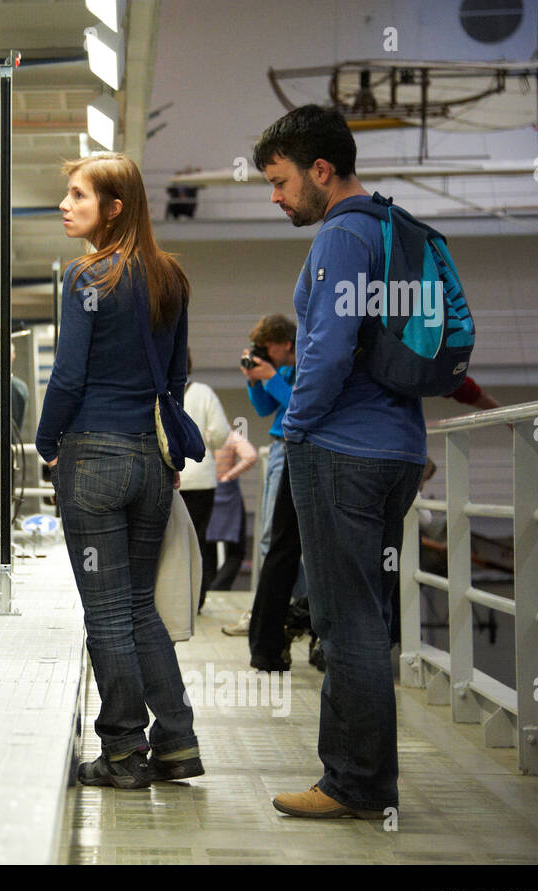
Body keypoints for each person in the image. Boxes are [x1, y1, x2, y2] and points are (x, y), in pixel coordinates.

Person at [253, 105, 426, 820]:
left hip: (343, 453)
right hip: (398, 448)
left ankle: (354, 783)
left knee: (344, 619)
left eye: (281, 180)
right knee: (366, 614)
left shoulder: (343, 235)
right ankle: (362, 777)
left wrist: (294, 427)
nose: (276, 196)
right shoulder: (394, 227)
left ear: (321, 171)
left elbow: (324, 350)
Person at [36, 152, 200, 789]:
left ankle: (125, 752)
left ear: (114, 208)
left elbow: (69, 375)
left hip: (94, 462)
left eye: (78, 195)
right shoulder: (171, 278)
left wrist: (49, 440)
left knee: (106, 614)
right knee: (137, 607)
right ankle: (178, 742)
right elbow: (178, 376)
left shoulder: (88, 278)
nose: (65, 204)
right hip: (153, 462)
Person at [221, 313, 303, 638]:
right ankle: (271, 611)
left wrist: (270, 377)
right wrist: (255, 381)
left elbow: (298, 404)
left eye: (268, 349)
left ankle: (280, 612)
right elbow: (262, 409)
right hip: (279, 448)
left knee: (280, 537)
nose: (266, 356)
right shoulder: (282, 369)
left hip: (293, 450)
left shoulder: (307, 365)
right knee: (271, 536)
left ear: (286, 344)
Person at [178, 351, 231, 611]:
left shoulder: (158, 391)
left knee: (170, 540)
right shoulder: (204, 392)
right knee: (198, 540)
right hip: (201, 479)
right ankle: (196, 599)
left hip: (170, 479)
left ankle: (170, 599)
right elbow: (222, 433)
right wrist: (209, 442)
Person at [206, 429, 257, 590]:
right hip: (226, 490)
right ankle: (217, 587)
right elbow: (250, 456)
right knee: (236, 550)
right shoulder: (231, 436)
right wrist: (229, 476)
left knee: (207, 546)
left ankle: (209, 589)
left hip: (206, 488)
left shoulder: (200, 435)